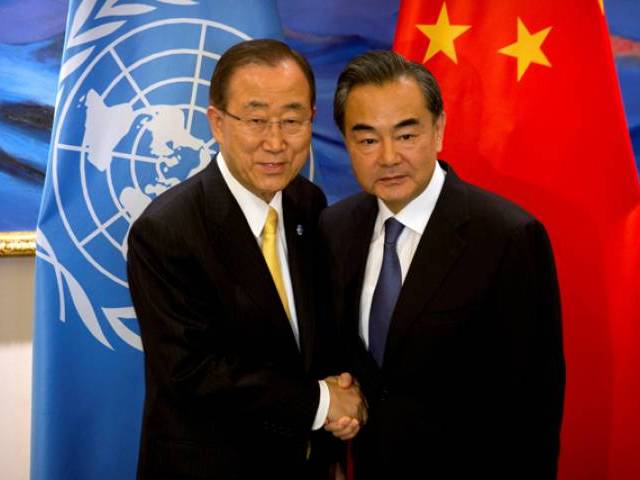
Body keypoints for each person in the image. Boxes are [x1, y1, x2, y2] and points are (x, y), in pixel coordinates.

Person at [319, 50, 565, 479]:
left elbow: (534, 405)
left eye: (406, 135)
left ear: (439, 130)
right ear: (347, 143)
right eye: (368, 139)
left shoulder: (508, 237)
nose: (389, 156)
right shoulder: (335, 228)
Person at [127, 39, 365, 480]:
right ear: (217, 123)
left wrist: (335, 425)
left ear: (311, 120)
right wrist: (324, 403)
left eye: (292, 120)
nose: (275, 142)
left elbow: (311, 341)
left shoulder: (306, 203)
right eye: (256, 120)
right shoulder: (166, 230)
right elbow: (194, 374)